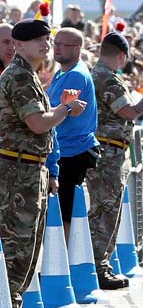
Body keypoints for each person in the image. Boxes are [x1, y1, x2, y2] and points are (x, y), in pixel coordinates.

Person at [0, 18, 87, 308]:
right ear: (19, 45)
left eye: (46, 39)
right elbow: (37, 123)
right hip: (16, 171)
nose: (44, 44)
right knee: (17, 245)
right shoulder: (20, 76)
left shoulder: (28, 75)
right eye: (36, 39)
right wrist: (64, 109)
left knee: (26, 244)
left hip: (26, 168)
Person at [86, 33, 143, 288]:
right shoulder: (107, 77)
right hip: (108, 153)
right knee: (105, 212)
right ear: (122, 56)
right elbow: (129, 112)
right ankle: (98, 267)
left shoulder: (102, 75)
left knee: (104, 210)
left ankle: (98, 264)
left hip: (109, 151)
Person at [47, 28, 101, 239]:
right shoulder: (63, 72)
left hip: (71, 152)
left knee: (65, 214)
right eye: (55, 43)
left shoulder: (75, 75)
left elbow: (57, 111)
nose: (57, 48)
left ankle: (66, 263)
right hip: (65, 149)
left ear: (77, 48)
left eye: (63, 45)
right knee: (62, 211)